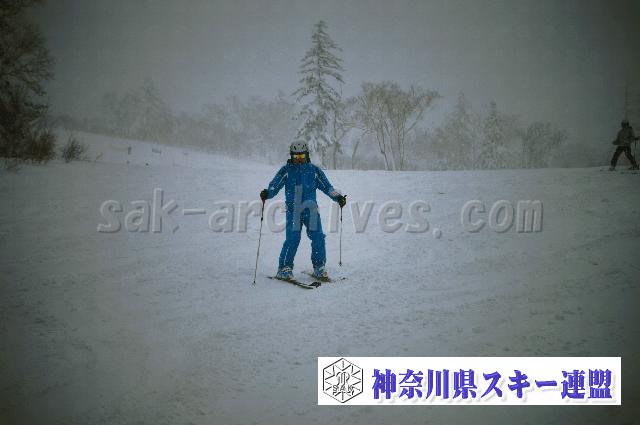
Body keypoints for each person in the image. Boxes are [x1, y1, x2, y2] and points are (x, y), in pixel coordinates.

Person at [260, 140, 347, 281]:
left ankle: (319, 267)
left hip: (311, 210)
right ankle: (284, 268)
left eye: (302, 156)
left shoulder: (314, 171)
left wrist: (338, 197)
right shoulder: (286, 171)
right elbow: (274, 186)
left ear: (306, 155)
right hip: (293, 211)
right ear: (292, 156)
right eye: (296, 157)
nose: (299, 160)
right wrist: (267, 193)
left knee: (318, 237)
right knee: (293, 239)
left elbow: (327, 187)